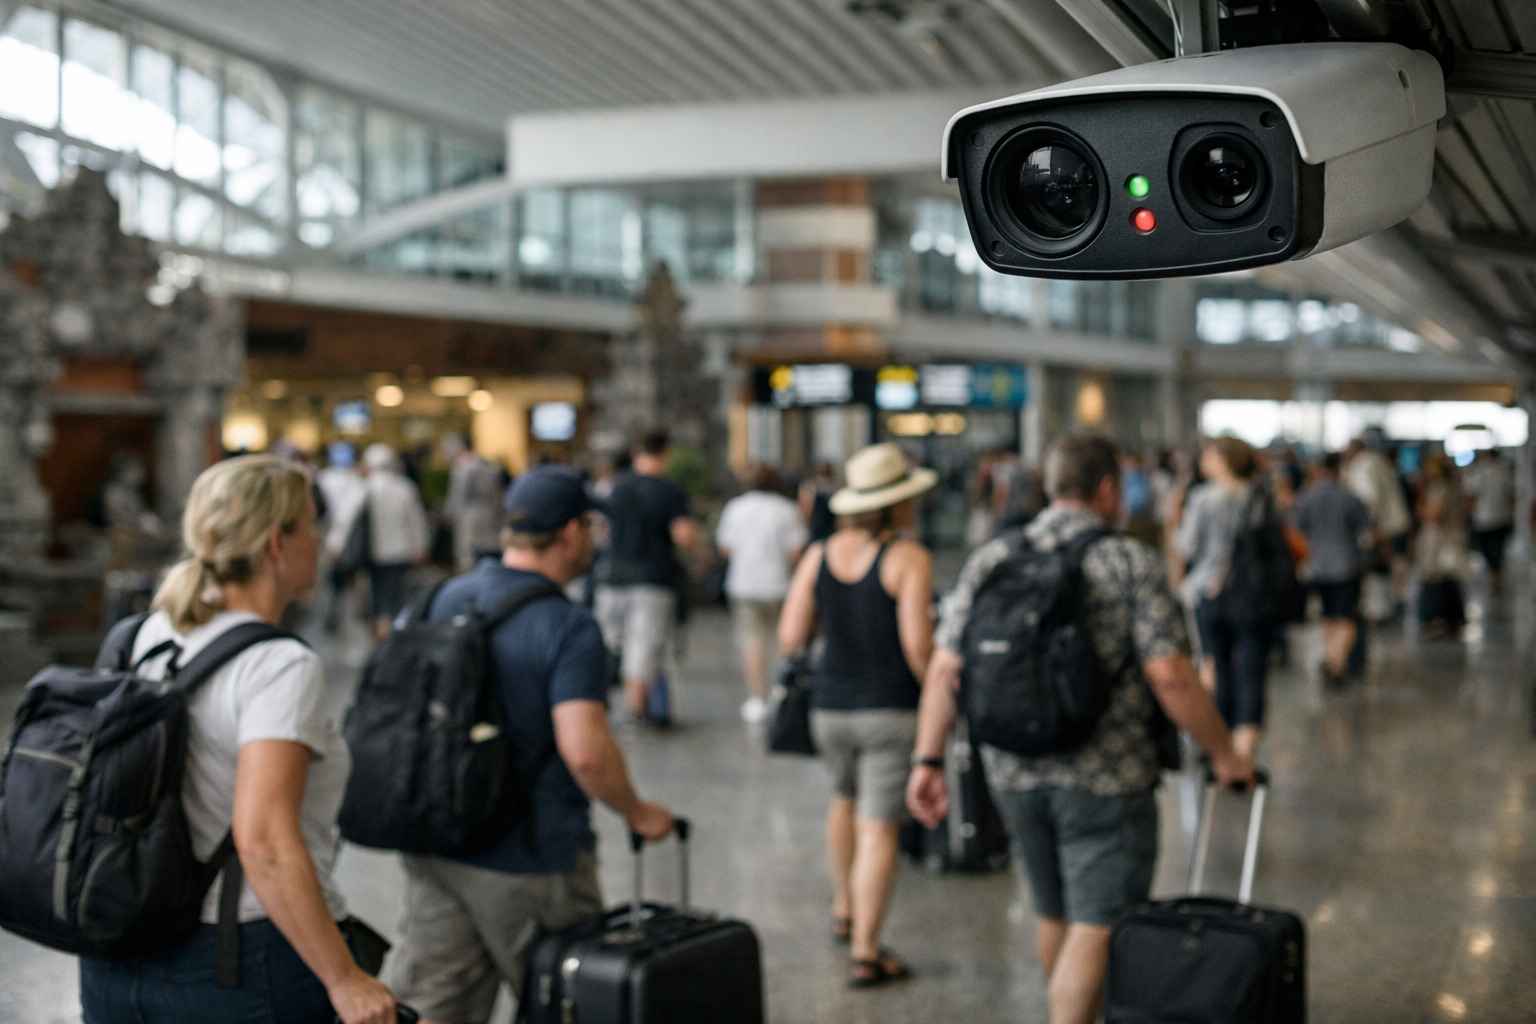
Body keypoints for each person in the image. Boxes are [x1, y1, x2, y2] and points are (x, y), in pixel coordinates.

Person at [907, 433, 1255, 1024]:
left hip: (1011, 767)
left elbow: (945, 667)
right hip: (1107, 775)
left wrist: (928, 760)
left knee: (1054, 913)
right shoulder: (1128, 562)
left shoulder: (993, 557)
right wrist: (1224, 753)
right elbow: (1171, 675)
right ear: (1108, 489)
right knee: (1099, 921)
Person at [80, 455, 396, 1024]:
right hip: (235, 960)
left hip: (119, 949)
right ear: (277, 542)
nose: (320, 542)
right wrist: (344, 979)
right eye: (312, 524)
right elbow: (265, 842)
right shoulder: (277, 665)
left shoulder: (142, 635)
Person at [383, 467, 675, 1022]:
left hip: (436, 845)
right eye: (589, 527)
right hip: (532, 860)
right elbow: (585, 751)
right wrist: (636, 812)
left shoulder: (440, 597)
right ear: (569, 534)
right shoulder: (567, 625)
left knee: (434, 1005)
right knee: (571, 1004)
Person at [778, 442, 936, 989]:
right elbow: (917, 646)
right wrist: (939, 697)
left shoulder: (819, 554)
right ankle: (867, 951)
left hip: (829, 709)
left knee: (842, 800)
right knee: (879, 827)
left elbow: (790, 636)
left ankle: (844, 907)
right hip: (889, 711)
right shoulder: (908, 558)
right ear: (898, 504)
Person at [1169, 436, 1269, 759]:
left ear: (1224, 459)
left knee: (1212, 663)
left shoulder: (1203, 498)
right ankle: (1245, 746)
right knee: (1251, 667)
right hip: (1252, 594)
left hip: (1208, 591)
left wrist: (1174, 519)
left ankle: (1218, 745)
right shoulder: (1259, 496)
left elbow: (1187, 546)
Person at [593, 430, 701, 721]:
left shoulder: (616, 487)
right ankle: (636, 711)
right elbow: (684, 536)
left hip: (613, 577)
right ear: (665, 453)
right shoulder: (670, 491)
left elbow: (600, 530)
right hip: (653, 579)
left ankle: (607, 706)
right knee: (643, 648)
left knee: (613, 644)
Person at [716, 464, 808, 723]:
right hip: (779, 583)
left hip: (744, 584)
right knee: (783, 639)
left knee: (752, 641)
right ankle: (781, 692)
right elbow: (796, 551)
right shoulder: (787, 510)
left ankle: (757, 697)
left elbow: (725, 548)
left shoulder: (735, 508)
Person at [1294, 453, 1371, 687]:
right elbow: (1366, 530)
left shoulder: (1306, 498)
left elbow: (1297, 530)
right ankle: (1337, 662)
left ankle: (1330, 657)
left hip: (1317, 566)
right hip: (1346, 565)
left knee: (1328, 616)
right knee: (1346, 617)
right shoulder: (1349, 498)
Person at [361, 443, 429, 642]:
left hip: (373, 551)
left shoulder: (365, 488)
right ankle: (394, 632)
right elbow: (416, 521)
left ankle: (380, 629)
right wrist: (420, 546)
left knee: (377, 592)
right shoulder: (404, 487)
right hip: (401, 550)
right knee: (397, 593)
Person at [1415, 452, 1469, 638]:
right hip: (1449, 539)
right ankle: (1453, 620)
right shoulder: (1454, 487)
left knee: (1437, 581)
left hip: (1440, 542)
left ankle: (1437, 621)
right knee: (1449, 581)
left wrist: (1420, 506)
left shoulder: (1440, 488)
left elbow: (1433, 514)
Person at [317, 443, 367, 634]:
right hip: (331, 540)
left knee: (336, 580)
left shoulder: (352, 481)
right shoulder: (330, 479)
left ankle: (336, 614)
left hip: (334, 541)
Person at [443, 434, 505, 572]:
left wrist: (448, 515)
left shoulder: (462, 467)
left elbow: (457, 496)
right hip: (490, 517)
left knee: (468, 558)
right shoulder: (486, 464)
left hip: (470, 519)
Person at [1464, 448, 1515, 594]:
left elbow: (1471, 495)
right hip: (1501, 518)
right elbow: (1511, 495)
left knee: (1488, 550)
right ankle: (1496, 575)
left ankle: (1494, 575)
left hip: (1483, 519)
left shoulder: (1479, 471)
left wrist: (1470, 513)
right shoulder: (1504, 471)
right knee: (1498, 549)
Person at [798, 462, 840, 544]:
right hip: (826, 528)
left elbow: (805, 509)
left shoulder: (809, 486)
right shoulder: (835, 487)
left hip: (816, 528)